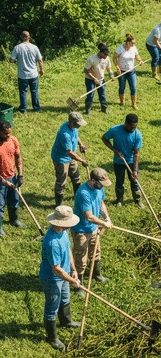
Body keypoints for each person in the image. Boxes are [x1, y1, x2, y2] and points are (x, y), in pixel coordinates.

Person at [39, 205, 81, 351]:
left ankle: (66, 321)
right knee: (52, 307)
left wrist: (74, 270)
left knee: (65, 297)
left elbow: (69, 248)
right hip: (52, 279)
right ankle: (53, 338)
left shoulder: (63, 232)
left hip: (65, 274)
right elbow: (56, 269)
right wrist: (73, 280)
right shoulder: (52, 243)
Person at [71, 168, 113, 297]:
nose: (102, 186)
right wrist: (103, 224)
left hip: (93, 228)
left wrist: (106, 217)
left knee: (96, 252)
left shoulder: (99, 188)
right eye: (101, 183)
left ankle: (97, 275)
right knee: (81, 258)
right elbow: (89, 216)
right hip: (81, 231)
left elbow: (101, 203)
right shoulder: (83, 193)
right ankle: (78, 285)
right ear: (93, 180)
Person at [101, 114, 143, 208]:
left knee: (134, 181)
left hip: (131, 162)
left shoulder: (137, 135)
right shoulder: (115, 130)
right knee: (119, 181)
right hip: (118, 162)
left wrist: (135, 170)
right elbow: (104, 138)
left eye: (135, 127)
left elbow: (136, 153)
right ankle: (119, 200)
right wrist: (114, 150)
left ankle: (137, 199)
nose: (133, 129)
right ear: (126, 123)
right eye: (131, 127)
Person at [51, 112, 89, 207]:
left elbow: (76, 134)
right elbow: (70, 152)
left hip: (71, 157)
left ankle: (78, 198)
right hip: (61, 159)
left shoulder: (73, 127)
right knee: (61, 181)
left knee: (76, 177)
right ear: (72, 122)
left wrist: (81, 144)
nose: (79, 126)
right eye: (78, 124)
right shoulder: (65, 134)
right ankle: (58, 205)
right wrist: (82, 161)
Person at [0, 120, 26, 238]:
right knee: (0, 204)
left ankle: (14, 219)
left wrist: (20, 175)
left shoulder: (13, 140)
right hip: (1, 181)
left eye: (9, 133)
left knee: (14, 200)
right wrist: (5, 182)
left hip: (12, 176)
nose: (8, 135)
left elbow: (18, 158)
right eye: (5, 133)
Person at [9, 31, 44, 113]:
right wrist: (41, 70)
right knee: (34, 91)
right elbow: (40, 60)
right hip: (33, 74)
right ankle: (36, 108)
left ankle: (23, 109)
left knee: (23, 92)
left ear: (21, 37)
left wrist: (12, 60)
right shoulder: (34, 47)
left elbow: (12, 60)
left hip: (22, 75)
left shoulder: (17, 48)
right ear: (29, 37)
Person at [113, 33, 144, 109]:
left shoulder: (134, 48)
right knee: (122, 87)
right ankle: (122, 102)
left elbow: (136, 55)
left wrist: (140, 60)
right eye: (132, 43)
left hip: (131, 71)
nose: (134, 44)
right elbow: (114, 58)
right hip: (122, 71)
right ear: (128, 42)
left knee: (133, 87)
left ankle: (134, 104)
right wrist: (117, 67)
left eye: (134, 43)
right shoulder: (120, 48)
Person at [83, 43, 114, 115]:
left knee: (102, 94)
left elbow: (109, 68)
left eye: (107, 54)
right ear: (100, 52)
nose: (106, 56)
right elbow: (86, 70)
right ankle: (88, 111)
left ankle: (104, 109)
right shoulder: (91, 59)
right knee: (90, 94)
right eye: (105, 54)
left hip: (101, 79)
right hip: (90, 80)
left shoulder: (107, 58)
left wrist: (111, 75)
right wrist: (94, 78)